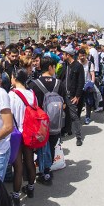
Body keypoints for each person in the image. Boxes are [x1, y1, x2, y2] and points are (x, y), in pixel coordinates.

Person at [30, 57, 66, 185]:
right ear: (50, 67)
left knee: (40, 147)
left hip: (40, 123)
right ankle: (47, 170)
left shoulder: (34, 84)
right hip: (55, 123)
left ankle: (42, 170)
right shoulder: (59, 83)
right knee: (51, 145)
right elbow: (64, 104)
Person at [8, 68, 37, 206]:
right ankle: (31, 188)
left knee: (18, 166)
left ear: (14, 78)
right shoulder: (32, 93)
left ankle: (15, 195)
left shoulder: (11, 95)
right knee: (30, 162)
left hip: (16, 134)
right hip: (30, 132)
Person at [62, 45, 85, 146]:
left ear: (68, 55)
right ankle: (67, 130)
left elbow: (81, 82)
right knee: (65, 114)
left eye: (64, 54)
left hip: (72, 96)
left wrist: (77, 96)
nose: (62, 55)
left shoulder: (78, 66)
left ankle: (79, 136)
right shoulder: (64, 65)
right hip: (63, 94)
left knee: (74, 116)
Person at [78, 49, 96, 125]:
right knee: (79, 103)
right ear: (78, 56)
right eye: (81, 55)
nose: (82, 57)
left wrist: (92, 83)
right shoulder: (77, 64)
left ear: (86, 55)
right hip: (79, 86)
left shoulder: (89, 64)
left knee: (88, 102)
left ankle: (87, 117)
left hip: (87, 86)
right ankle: (77, 117)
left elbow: (92, 75)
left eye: (83, 55)